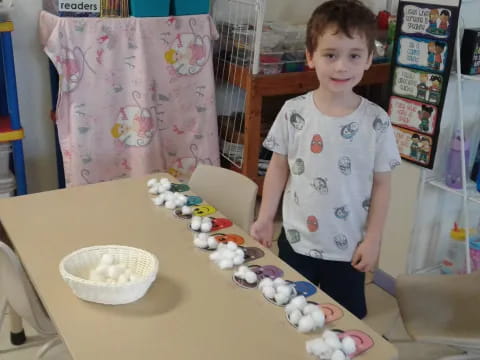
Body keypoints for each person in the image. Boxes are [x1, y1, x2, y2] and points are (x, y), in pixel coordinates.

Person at [250, 0, 401, 319]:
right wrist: (265, 217)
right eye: (330, 55)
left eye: (354, 56)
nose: (341, 67)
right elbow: (279, 167)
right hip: (295, 240)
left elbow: (383, 186)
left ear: (369, 59)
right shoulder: (293, 112)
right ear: (310, 56)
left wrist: (373, 240)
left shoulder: (376, 122)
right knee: (289, 316)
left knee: (344, 324)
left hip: (347, 251)